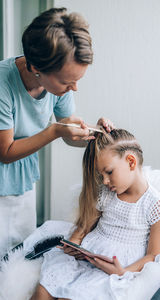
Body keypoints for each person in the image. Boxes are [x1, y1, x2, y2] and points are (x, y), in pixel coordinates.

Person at [0, 7, 113, 258]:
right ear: (37, 68)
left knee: (20, 255)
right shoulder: (2, 84)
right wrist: (53, 131)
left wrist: (93, 134)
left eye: (77, 80)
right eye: (66, 82)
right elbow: (5, 152)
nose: (74, 88)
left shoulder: (58, 87)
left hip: (21, 180)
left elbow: (67, 129)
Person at [30, 129, 160, 300]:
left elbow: (153, 256)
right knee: (44, 289)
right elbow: (84, 227)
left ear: (131, 162)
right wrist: (73, 244)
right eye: (101, 175)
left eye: (109, 172)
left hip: (117, 268)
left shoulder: (157, 205)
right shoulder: (106, 193)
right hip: (89, 256)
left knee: (70, 297)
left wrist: (123, 272)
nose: (104, 181)